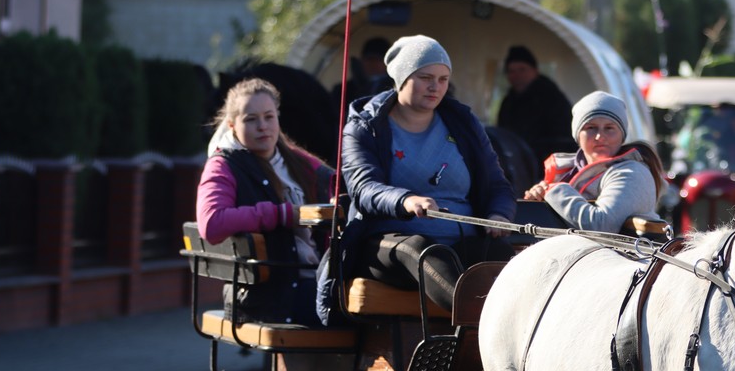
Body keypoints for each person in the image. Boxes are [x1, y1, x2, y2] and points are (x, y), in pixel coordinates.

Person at [332, 34, 516, 316]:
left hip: (462, 240)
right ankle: (480, 321)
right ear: (401, 78)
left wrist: (498, 215)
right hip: (390, 243)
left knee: (500, 254)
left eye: (443, 79)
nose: (436, 87)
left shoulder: (464, 123)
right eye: (425, 77)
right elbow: (363, 188)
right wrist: (406, 201)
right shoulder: (364, 127)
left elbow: (496, 185)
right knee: (423, 251)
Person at [197, 78, 336, 326]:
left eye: (269, 117)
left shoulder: (296, 159)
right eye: (251, 119)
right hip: (271, 294)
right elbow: (212, 223)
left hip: (316, 278)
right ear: (232, 125)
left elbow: (339, 186)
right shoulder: (223, 165)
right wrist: (282, 215)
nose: (263, 126)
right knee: (356, 312)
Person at [522, 90, 664, 233]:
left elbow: (602, 225)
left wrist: (553, 191)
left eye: (609, 128)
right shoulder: (565, 172)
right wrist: (538, 196)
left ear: (622, 135)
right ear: (577, 135)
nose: (600, 136)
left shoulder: (633, 173)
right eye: (590, 127)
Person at [495, 45, 576, 166]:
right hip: (516, 163)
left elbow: (564, 137)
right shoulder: (508, 101)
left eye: (522, 69)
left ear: (535, 71)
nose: (517, 75)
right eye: (511, 71)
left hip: (548, 164)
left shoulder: (551, 97)